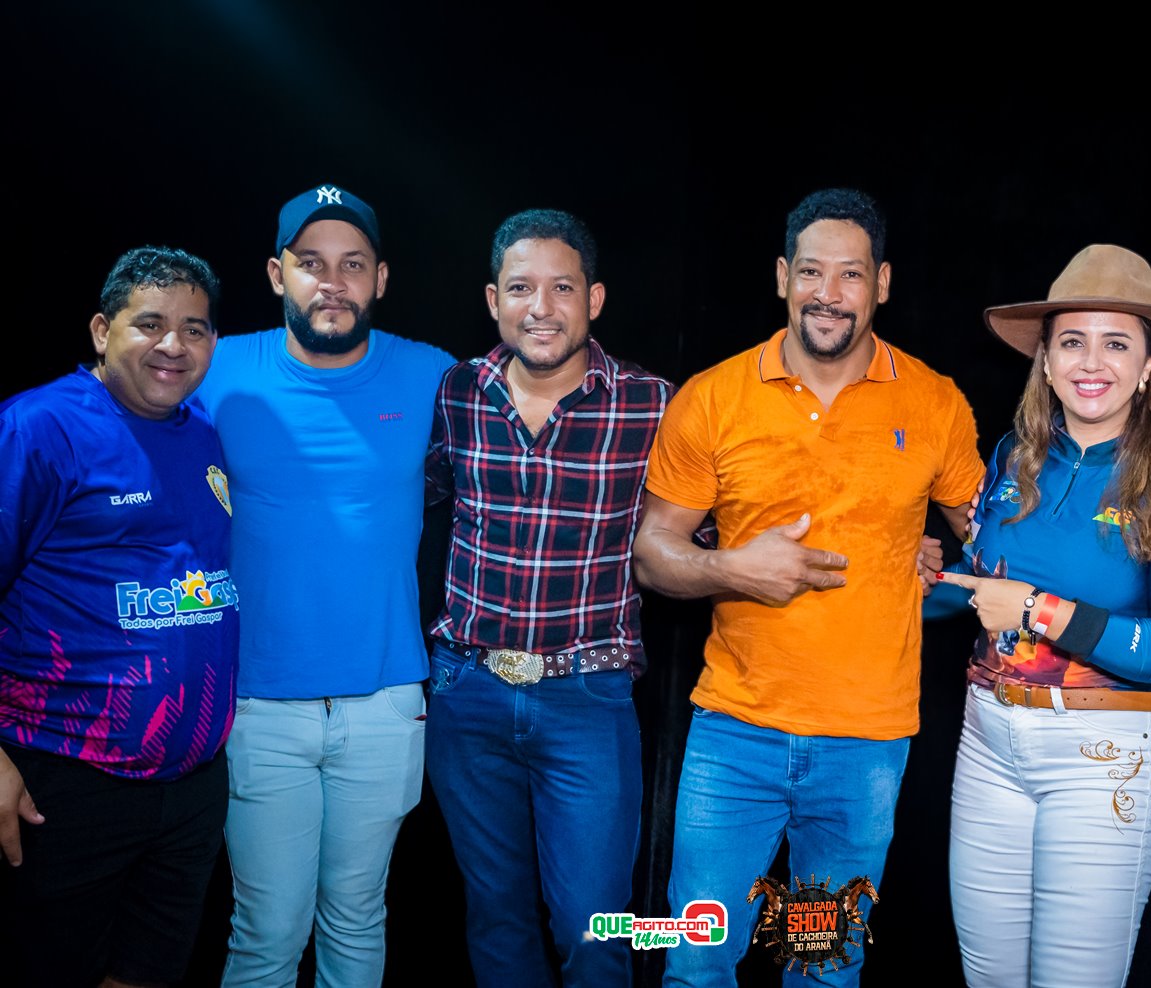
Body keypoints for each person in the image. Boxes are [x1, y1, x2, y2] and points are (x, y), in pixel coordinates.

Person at [634, 187, 985, 987]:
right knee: (695, 964)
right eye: (813, 272)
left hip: (865, 747)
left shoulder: (933, 403)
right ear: (783, 277)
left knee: (822, 970)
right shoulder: (714, 397)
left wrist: (933, 569)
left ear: (883, 284)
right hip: (735, 735)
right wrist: (733, 567)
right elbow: (653, 554)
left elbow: (991, 547)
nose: (830, 293)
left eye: (851, 275)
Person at [929, 244, 1151, 987]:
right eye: (1072, 341)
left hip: (1104, 757)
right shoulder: (1010, 459)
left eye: (1117, 342)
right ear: (1047, 361)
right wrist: (919, 571)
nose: (1093, 362)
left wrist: (1038, 609)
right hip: (989, 740)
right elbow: (968, 593)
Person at [192, 184, 455, 987]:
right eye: (311, 264)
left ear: (381, 278)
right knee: (265, 934)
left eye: (352, 264)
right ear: (277, 275)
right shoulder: (215, 368)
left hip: (384, 702)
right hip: (258, 703)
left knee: (357, 918)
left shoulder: (434, 376)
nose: (330, 282)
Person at [424, 208, 673, 987]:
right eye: (522, 288)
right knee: (495, 913)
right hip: (467, 694)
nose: (542, 307)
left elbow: (715, 525)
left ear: (594, 299)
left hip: (587, 700)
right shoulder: (457, 393)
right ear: (493, 299)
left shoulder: (655, 405)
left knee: (595, 926)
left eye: (561, 287)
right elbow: (419, 497)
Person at [0, 246, 237, 988]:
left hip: (193, 785)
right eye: (151, 324)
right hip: (66, 783)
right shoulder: (39, 428)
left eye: (194, 329)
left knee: (148, 975)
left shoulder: (201, 432)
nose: (174, 345)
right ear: (103, 330)